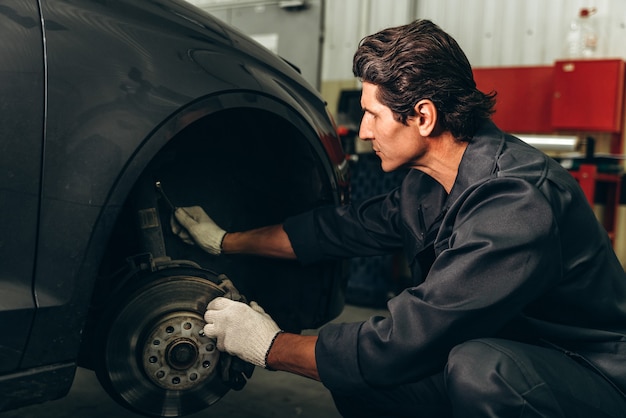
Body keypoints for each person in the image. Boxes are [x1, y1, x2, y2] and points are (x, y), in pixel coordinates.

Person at [172, 19, 626, 417]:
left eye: (372, 114)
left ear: (423, 116)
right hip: (515, 346)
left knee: (480, 370)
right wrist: (223, 239)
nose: (365, 130)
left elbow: (403, 341)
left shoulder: (517, 203)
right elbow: (340, 229)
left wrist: (270, 345)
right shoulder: (428, 182)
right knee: (363, 382)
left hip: (589, 374)